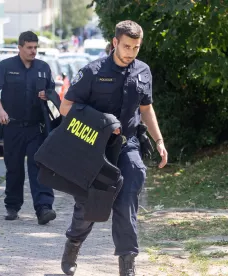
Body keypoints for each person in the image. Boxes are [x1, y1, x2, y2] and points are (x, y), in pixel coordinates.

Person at [58, 20, 168, 276]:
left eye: (136, 47)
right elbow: (66, 108)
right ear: (115, 42)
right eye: (127, 46)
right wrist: (104, 122)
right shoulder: (92, 72)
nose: (131, 52)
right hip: (93, 146)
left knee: (127, 201)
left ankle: (127, 265)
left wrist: (159, 140)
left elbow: (146, 108)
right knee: (90, 205)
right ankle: (73, 243)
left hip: (128, 146)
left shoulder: (143, 71)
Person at [0, 31, 56, 225]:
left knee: (39, 166)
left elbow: (52, 92)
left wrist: (47, 95)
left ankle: (44, 208)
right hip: (12, 126)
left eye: (35, 47)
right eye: (29, 48)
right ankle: (12, 206)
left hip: (36, 127)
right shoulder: (5, 66)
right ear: (20, 48)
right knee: (14, 168)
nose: (33, 51)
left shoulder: (43, 68)